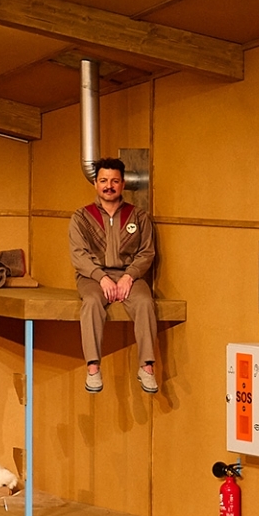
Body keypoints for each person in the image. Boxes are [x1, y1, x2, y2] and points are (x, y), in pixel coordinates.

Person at [69, 158, 160, 394]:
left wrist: (129, 276)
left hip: (130, 276)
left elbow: (147, 252)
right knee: (91, 302)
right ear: (95, 184)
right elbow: (78, 255)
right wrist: (101, 277)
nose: (108, 186)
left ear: (123, 184)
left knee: (144, 302)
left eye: (114, 181)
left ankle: (147, 366)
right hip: (92, 277)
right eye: (103, 181)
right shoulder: (81, 217)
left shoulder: (138, 216)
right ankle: (93, 368)